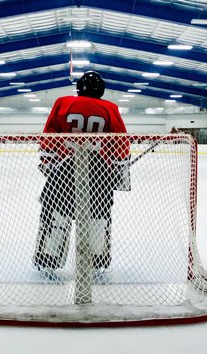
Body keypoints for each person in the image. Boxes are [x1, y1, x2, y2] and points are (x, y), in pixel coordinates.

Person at [33, 71, 129, 271]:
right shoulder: (110, 108)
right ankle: (97, 259)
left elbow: (50, 133)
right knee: (99, 215)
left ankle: (48, 257)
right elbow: (120, 141)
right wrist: (120, 171)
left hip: (64, 169)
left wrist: (48, 163)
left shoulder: (63, 102)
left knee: (56, 213)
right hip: (99, 171)